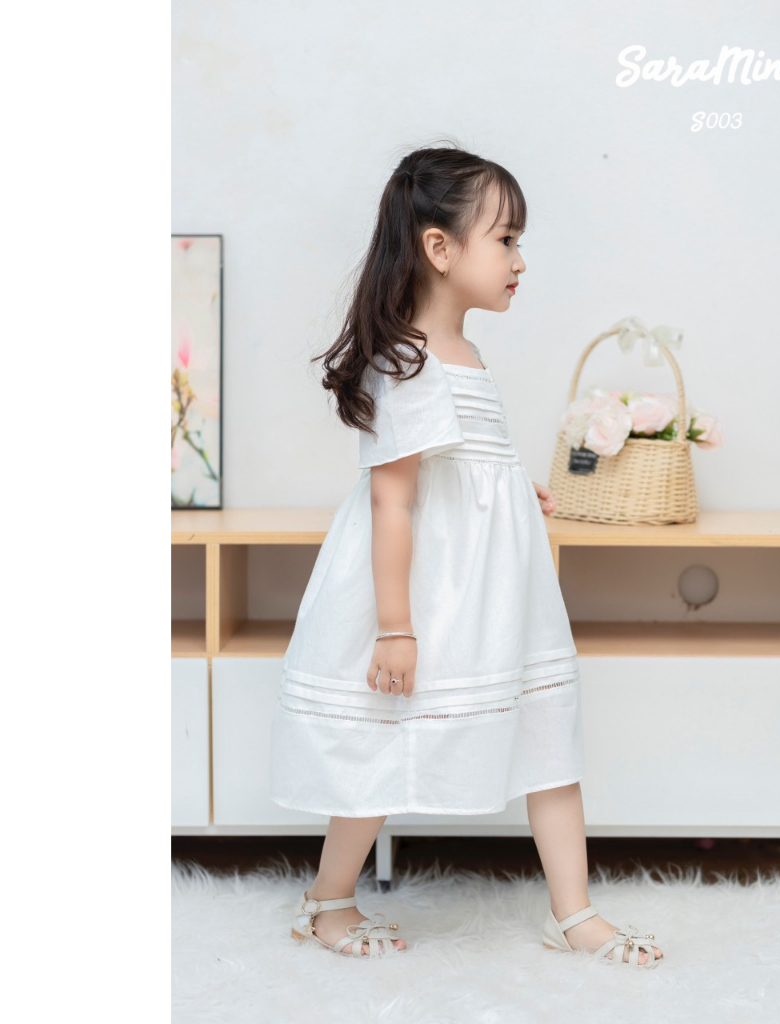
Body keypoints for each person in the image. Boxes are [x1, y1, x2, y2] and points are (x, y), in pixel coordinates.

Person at [269, 143, 663, 968]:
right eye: (506, 240)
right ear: (440, 248)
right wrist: (395, 627)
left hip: (493, 584)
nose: (520, 260)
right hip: (427, 588)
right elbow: (393, 500)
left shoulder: (465, 355)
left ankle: (573, 911)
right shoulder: (407, 360)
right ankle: (328, 899)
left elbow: (458, 464)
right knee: (382, 739)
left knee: (546, 727)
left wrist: (509, 488)